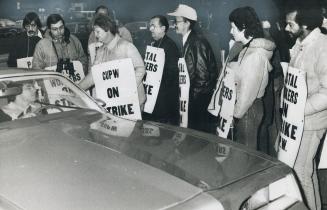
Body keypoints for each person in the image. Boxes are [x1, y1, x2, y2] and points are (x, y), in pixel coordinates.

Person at [284, 3, 327, 210]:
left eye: (290, 24)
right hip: (298, 121)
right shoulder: (302, 44)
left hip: (310, 122)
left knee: (301, 174)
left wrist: (298, 111)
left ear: (305, 25)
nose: (286, 29)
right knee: (304, 172)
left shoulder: (323, 47)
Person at [226, 7, 275, 149]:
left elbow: (247, 92)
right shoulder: (248, 48)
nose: (231, 31)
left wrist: (235, 115)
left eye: (233, 27)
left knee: (245, 153)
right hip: (246, 107)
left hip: (247, 109)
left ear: (243, 28)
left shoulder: (254, 55)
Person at [168, 4, 218, 133]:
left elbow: (203, 77)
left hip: (196, 101)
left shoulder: (197, 42)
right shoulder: (188, 40)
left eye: (177, 21)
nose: (174, 25)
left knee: (195, 137)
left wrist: (191, 99)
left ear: (187, 23)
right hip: (191, 98)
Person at [79, 15, 146, 110]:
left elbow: (141, 69)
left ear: (108, 30)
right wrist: (77, 88)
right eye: (94, 32)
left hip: (133, 103)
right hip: (116, 104)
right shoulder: (100, 51)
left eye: (98, 31)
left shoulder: (126, 46)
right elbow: (93, 76)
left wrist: (127, 89)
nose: (95, 35)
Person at [142, 15, 179, 125]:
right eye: (150, 26)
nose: (150, 29)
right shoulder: (153, 43)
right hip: (154, 97)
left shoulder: (170, 46)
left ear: (163, 29)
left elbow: (172, 75)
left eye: (153, 26)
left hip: (163, 100)